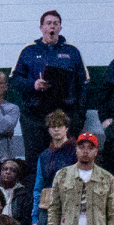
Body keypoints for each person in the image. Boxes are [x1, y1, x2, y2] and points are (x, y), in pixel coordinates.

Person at [9, 10, 89, 164]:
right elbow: (14, 80)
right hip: (35, 118)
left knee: (66, 161)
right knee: (35, 162)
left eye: (55, 23)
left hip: (64, 116)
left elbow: (84, 84)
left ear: (60, 27)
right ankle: (37, 189)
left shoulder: (72, 52)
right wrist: (33, 85)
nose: (52, 26)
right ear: (41, 28)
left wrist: (79, 116)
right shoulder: (28, 51)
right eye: (48, 23)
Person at [31, 110, 77, 225]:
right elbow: (38, 186)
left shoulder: (77, 151)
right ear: (48, 130)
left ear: (66, 128)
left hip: (70, 206)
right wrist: (34, 217)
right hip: (47, 206)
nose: (56, 130)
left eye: (60, 126)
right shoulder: (44, 156)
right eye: (53, 127)